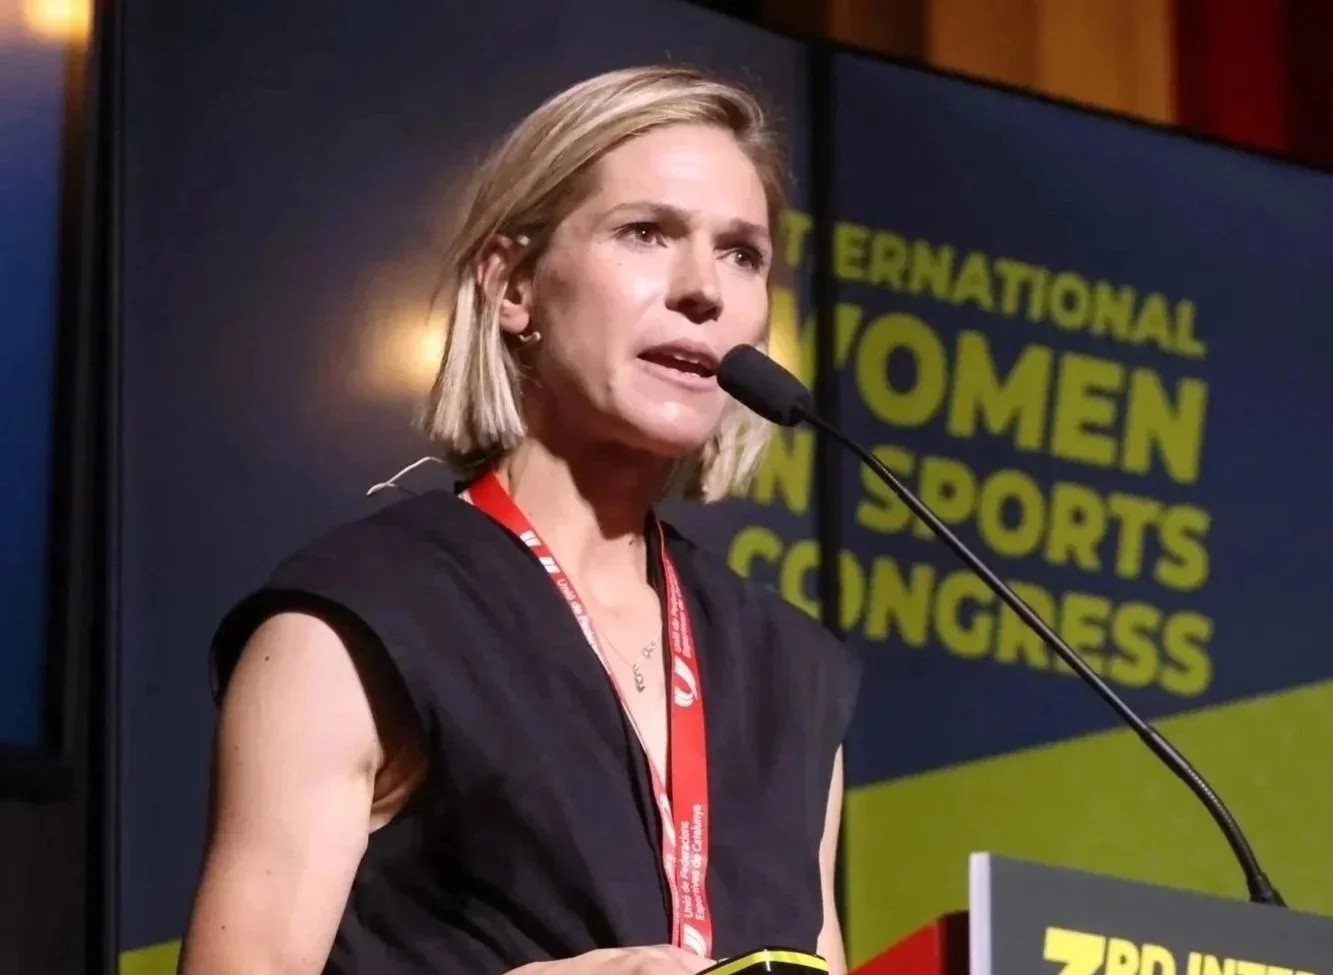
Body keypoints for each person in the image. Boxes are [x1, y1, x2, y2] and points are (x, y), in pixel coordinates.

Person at [178, 64, 861, 975]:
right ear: (513, 287)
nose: (703, 288)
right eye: (646, 232)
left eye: (742, 252)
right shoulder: (362, 618)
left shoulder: (787, 671)